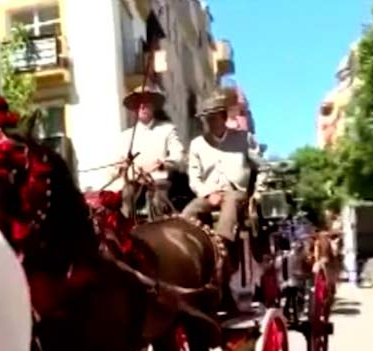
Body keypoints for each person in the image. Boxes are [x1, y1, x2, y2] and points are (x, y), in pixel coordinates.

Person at [183, 90, 263, 244]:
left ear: (223, 118)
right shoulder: (197, 144)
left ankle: (222, 243)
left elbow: (262, 168)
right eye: (207, 119)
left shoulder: (244, 138)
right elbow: (194, 178)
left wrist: (258, 194)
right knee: (188, 213)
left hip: (236, 193)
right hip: (209, 194)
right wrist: (207, 194)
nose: (210, 123)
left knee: (231, 204)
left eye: (214, 118)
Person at [107, 84, 184, 219]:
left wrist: (160, 164)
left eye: (146, 102)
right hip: (134, 184)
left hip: (158, 183)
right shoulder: (126, 136)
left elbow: (178, 156)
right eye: (138, 103)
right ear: (134, 109)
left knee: (157, 200)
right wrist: (121, 167)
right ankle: (127, 234)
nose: (142, 106)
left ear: (153, 106)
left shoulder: (167, 129)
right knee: (126, 196)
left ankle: (158, 233)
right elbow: (114, 168)